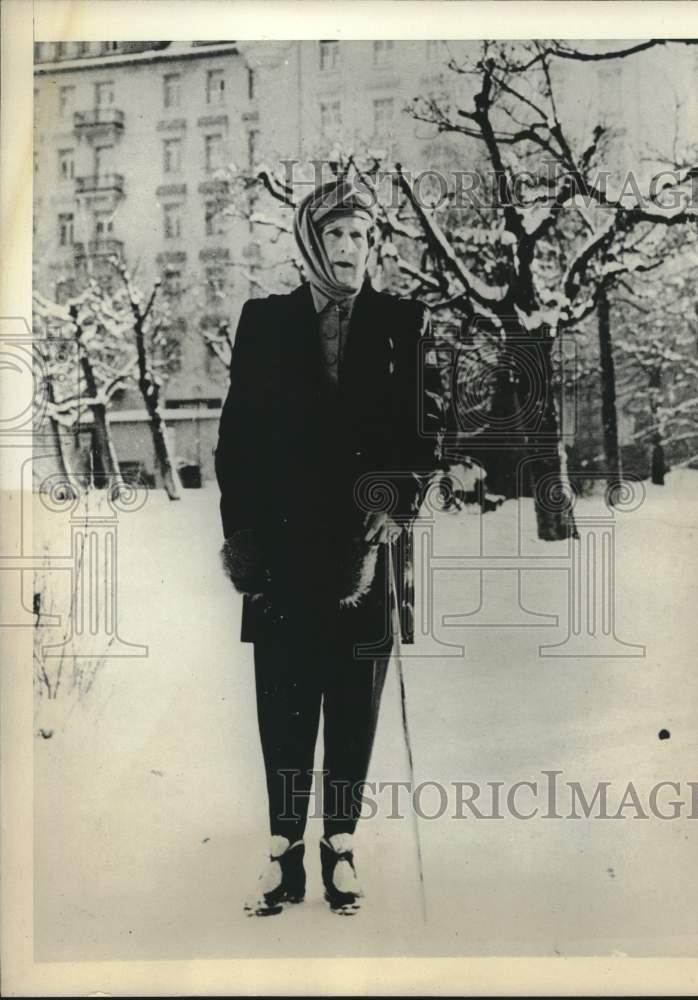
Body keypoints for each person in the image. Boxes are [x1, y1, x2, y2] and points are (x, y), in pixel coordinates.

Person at [215, 177, 444, 916]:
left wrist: (400, 500)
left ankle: (340, 847)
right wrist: (242, 541)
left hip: (364, 549)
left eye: (361, 236)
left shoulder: (403, 322)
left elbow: (427, 430)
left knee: (352, 702)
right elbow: (236, 442)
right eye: (336, 234)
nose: (351, 248)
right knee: (284, 702)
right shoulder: (265, 321)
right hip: (282, 550)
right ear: (311, 241)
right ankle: (283, 852)